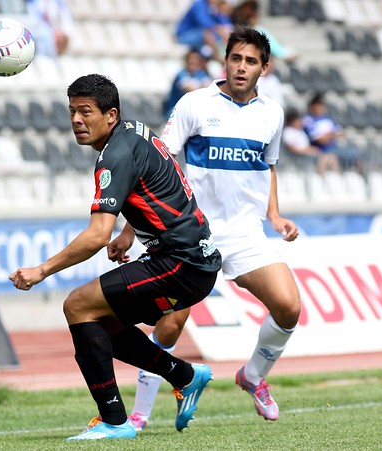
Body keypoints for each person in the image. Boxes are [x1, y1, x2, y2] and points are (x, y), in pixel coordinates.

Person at [9, 74, 222, 440]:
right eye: (72, 111)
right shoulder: (133, 131)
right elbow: (156, 181)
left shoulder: (114, 156)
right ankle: (185, 377)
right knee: (101, 327)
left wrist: (41, 270)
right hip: (193, 260)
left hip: (180, 264)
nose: (76, 119)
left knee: (77, 306)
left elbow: (95, 236)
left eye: (85, 112)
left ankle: (114, 422)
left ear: (110, 115)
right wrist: (130, 232)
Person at [128, 26, 301, 431]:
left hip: (244, 235)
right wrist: (129, 229)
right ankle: (139, 415)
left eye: (251, 61)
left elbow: (268, 166)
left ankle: (253, 376)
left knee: (289, 307)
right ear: (224, 61)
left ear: (265, 67)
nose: (241, 68)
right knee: (168, 325)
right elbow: (158, 164)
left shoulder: (272, 113)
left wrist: (274, 216)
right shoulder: (194, 103)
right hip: (192, 235)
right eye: (235, 59)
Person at [302, 93, 364, 173]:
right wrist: (331, 134)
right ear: (312, 106)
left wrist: (328, 135)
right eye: (318, 105)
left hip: (335, 147)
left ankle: (363, 177)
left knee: (356, 153)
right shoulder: (308, 120)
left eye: (321, 105)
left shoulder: (328, 119)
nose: (320, 107)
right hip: (322, 150)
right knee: (331, 157)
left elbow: (341, 133)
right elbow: (319, 140)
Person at [282, 107, 340, 174]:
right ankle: (321, 178)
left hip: (307, 156)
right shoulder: (288, 132)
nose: (300, 122)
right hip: (298, 158)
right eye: (298, 120)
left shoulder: (301, 131)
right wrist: (309, 150)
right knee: (323, 157)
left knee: (331, 156)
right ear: (292, 122)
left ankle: (335, 178)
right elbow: (293, 148)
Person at [163, 48, 213, 119]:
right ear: (186, 60)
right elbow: (189, 88)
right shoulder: (180, 74)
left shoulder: (202, 74)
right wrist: (201, 87)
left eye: (196, 59)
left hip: (193, 112)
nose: (193, 61)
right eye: (191, 58)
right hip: (175, 111)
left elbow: (209, 88)